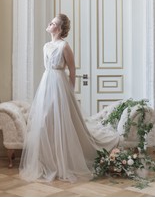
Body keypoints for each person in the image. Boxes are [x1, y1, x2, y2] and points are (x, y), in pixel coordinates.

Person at [19, 14, 124, 183]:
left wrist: (69, 90)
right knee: (45, 122)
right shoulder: (46, 46)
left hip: (60, 85)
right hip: (47, 83)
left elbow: (73, 70)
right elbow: (48, 68)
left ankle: (66, 161)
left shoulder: (64, 46)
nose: (49, 24)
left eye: (52, 23)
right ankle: (47, 161)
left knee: (61, 122)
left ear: (59, 29)